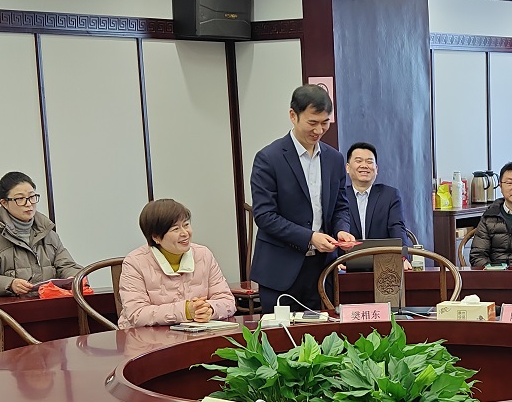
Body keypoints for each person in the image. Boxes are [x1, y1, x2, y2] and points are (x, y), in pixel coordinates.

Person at [249, 85, 353, 312]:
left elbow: (340, 207)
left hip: (323, 269)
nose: (319, 130)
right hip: (280, 269)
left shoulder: (334, 159)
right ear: (293, 116)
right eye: (312, 122)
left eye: (325, 123)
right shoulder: (269, 158)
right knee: (281, 333)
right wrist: (310, 237)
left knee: (325, 332)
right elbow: (265, 216)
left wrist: (341, 230)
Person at [116, 199, 235, 331]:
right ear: (156, 237)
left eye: (186, 225)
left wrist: (209, 309)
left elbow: (227, 301)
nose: (185, 233)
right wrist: (186, 311)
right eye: (175, 229)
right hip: (146, 338)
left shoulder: (203, 254)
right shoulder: (135, 262)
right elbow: (137, 313)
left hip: (195, 335)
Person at [0, 172, 83, 297]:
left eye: (32, 197)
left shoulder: (48, 233)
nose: (29, 204)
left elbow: (67, 265)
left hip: (49, 302)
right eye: (20, 199)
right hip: (12, 306)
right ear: (4, 203)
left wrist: (74, 277)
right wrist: (10, 284)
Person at [337, 142, 408, 244]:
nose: (364, 166)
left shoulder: (390, 196)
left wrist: (403, 253)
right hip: (347, 253)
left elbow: (398, 230)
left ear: (376, 169)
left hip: (382, 253)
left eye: (369, 162)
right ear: (347, 168)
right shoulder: (339, 196)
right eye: (359, 161)